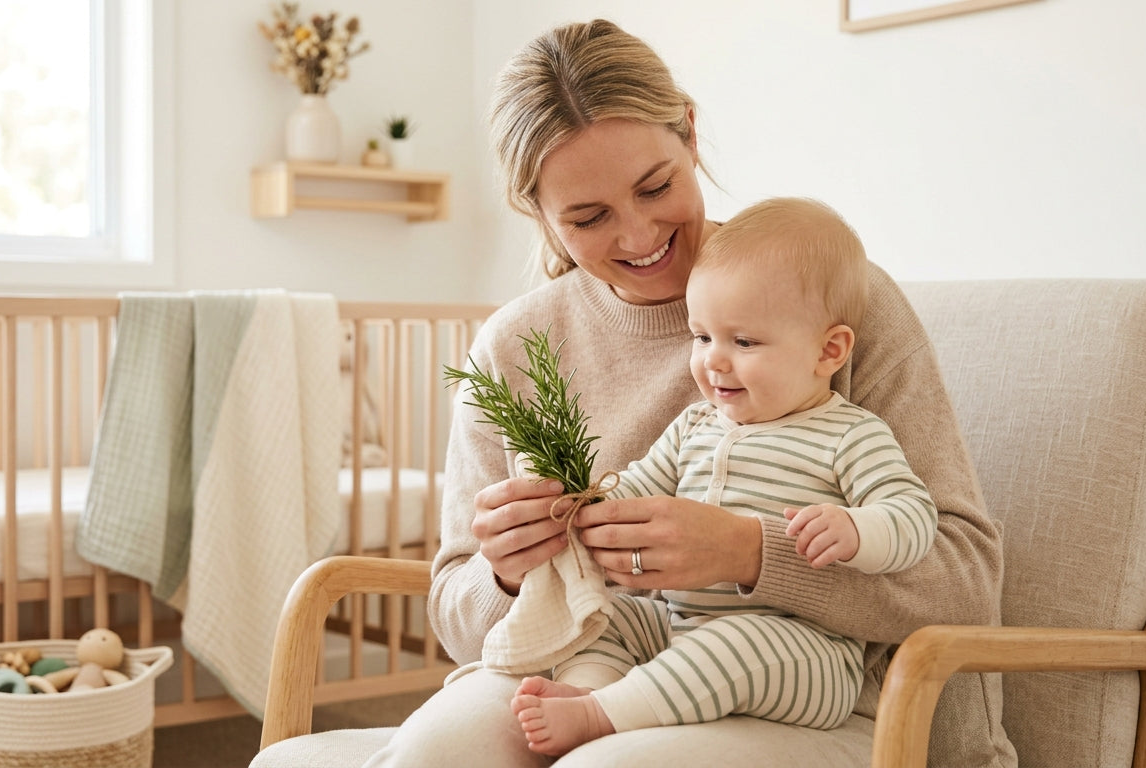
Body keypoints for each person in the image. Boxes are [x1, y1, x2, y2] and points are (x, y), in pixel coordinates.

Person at [279, 18, 1013, 768]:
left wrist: (751, 554)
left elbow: (964, 581)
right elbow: (457, 617)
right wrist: (505, 570)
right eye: (588, 218)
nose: (636, 236)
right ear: (538, 214)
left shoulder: (828, 306)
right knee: (433, 757)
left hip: (795, 693)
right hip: (576, 665)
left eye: (656, 186)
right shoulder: (512, 346)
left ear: (690, 133)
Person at [510, 197, 939, 755]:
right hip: (680, 626)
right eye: (701, 337)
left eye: (744, 342)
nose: (714, 360)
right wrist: (577, 501)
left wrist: (858, 531)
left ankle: (603, 714)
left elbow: (913, 515)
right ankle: (588, 689)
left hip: (805, 652)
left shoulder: (850, 434)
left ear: (828, 351)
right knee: (611, 617)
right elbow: (637, 486)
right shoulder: (695, 424)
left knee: (739, 641)